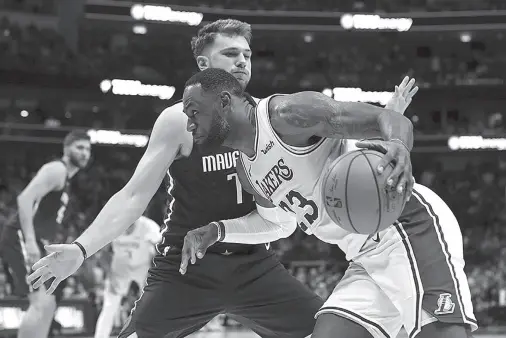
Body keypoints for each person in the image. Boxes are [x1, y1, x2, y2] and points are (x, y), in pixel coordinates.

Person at [28, 19, 324, 338]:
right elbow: (133, 197)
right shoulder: (178, 120)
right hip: (186, 266)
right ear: (203, 63)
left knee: (329, 330)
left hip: (253, 261)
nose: (242, 61)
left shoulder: (267, 115)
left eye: (247, 55)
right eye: (230, 53)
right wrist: (82, 249)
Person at [171, 68, 476, 338]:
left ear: (224, 101)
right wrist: (216, 230)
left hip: (405, 226)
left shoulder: (287, 115)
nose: (189, 125)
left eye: (194, 112)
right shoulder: (247, 171)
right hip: (364, 254)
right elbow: (277, 224)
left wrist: (397, 144)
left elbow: (389, 119)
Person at [0, 130, 91, 338]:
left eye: (88, 149)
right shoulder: (57, 169)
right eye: (80, 147)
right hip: (20, 236)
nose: (85, 153)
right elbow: (24, 199)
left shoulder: (65, 179)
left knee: (48, 303)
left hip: (36, 239)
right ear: (66, 149)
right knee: (41, 302)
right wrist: (30, 242)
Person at [94, 215, 161, 338]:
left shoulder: (148, 226)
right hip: (119, 269)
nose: (126, 230)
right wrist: (110, 276)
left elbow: (160, 249)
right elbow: (102, 254)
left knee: (148, 305)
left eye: (130, 226)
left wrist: (155, 271)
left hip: (142, 268)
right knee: (109, 306)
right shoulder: (112, 226)